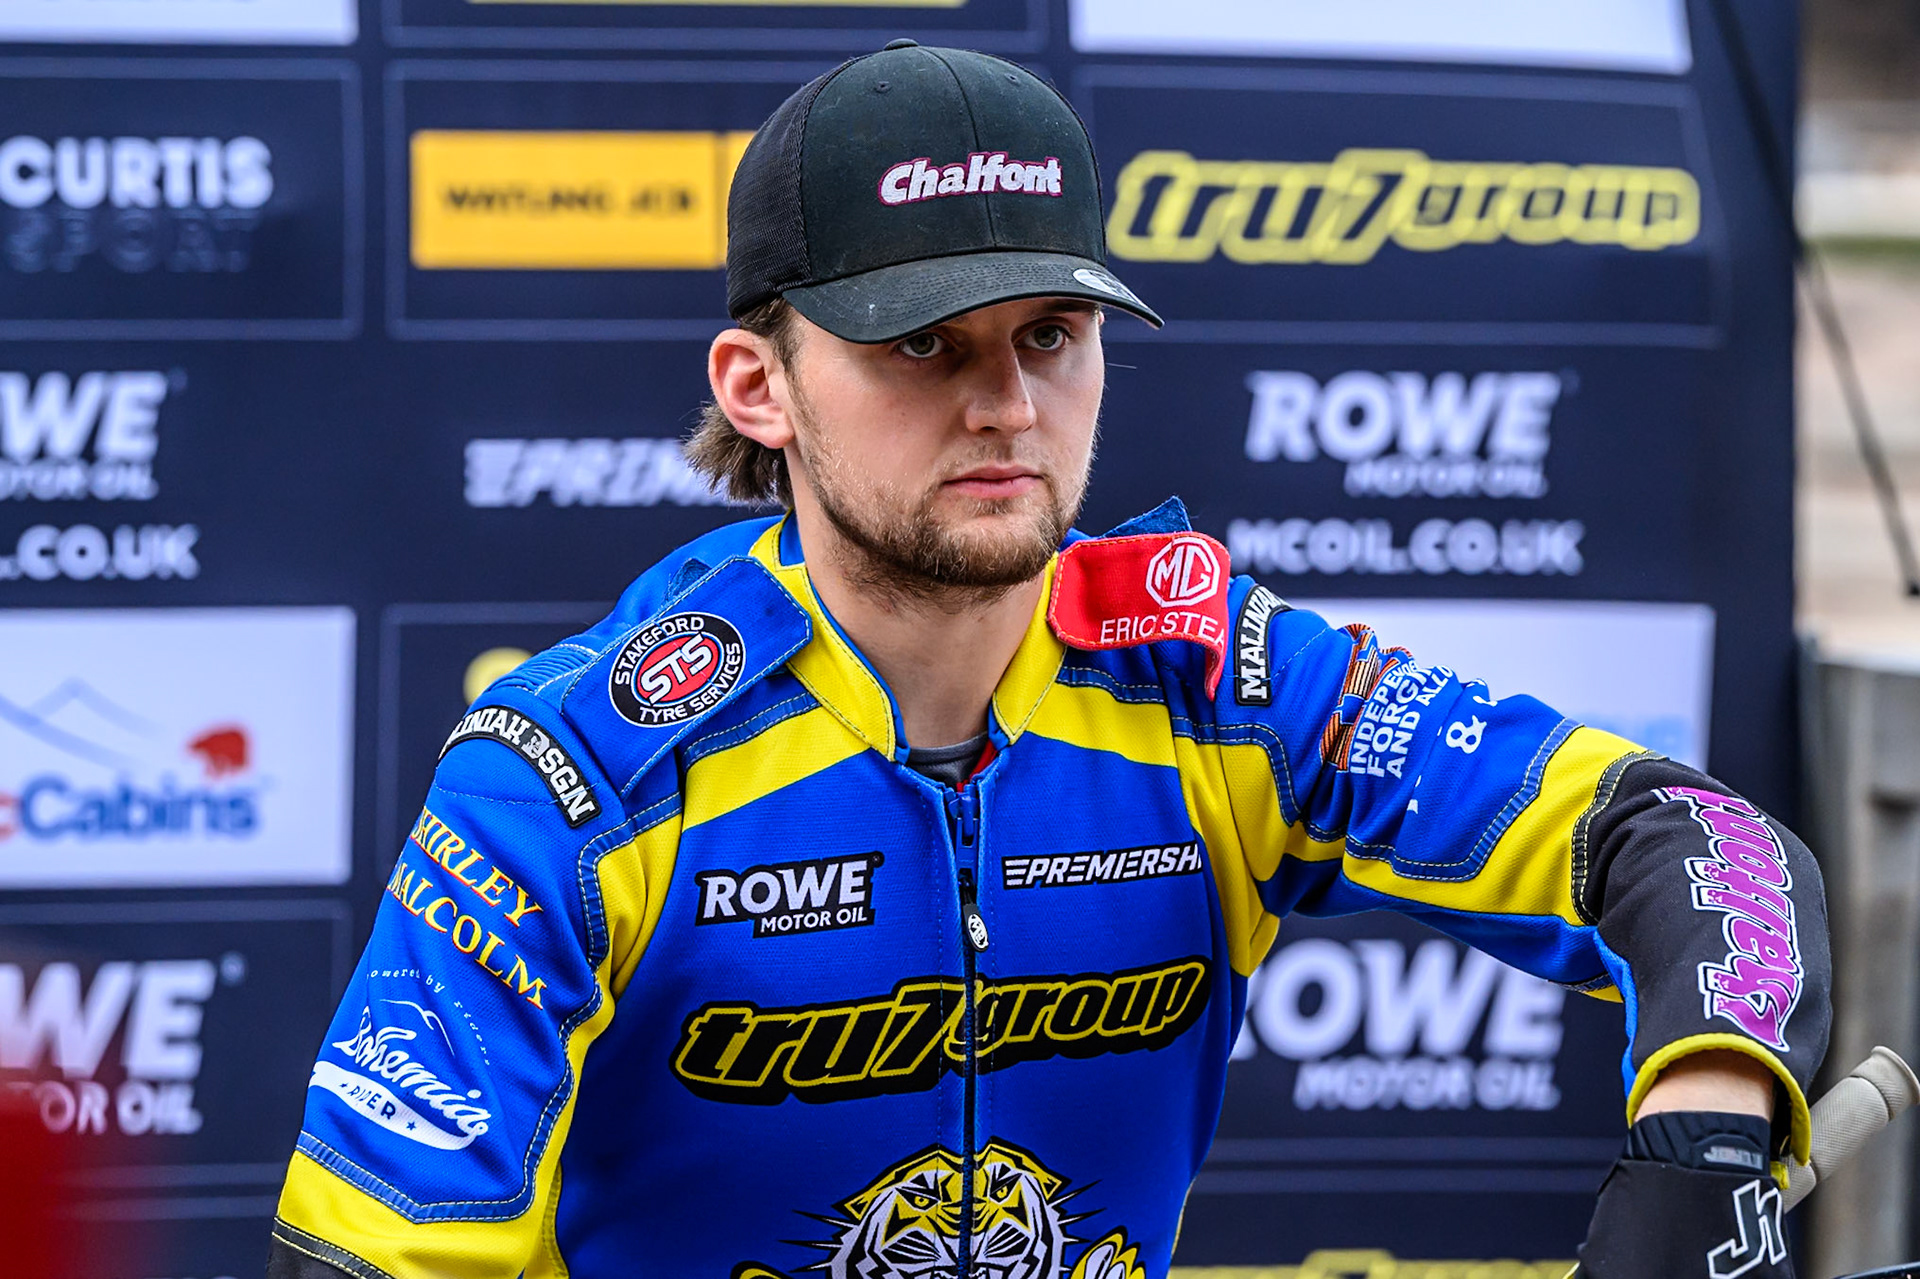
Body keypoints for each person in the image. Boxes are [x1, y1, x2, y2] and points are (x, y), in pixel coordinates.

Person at [269, 42, 1828, 1279]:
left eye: (1049, 337)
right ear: (757, 383)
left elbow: (1695, 845)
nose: (1006, 403)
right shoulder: (573, 773)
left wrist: (1705, 1150)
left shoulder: (1222, 684)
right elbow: (373, 1257)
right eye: (918, 345)